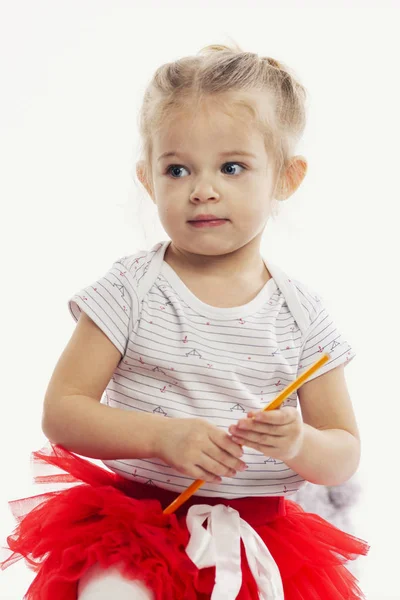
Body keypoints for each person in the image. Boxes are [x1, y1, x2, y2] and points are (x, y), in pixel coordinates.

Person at [0, 42, 369, 599]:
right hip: (134, 526)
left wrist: (297, 442)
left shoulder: (300, 315)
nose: (203, 189)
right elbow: (62, 412)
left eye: (232, 166)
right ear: (149, 179)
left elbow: (342, 453)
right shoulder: (131, 290)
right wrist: (162, 436)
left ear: (286, 179)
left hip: (257, 537)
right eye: (177, 169)